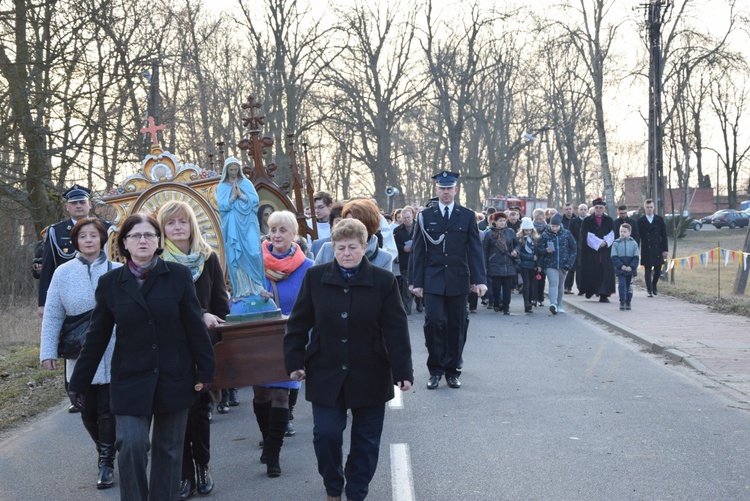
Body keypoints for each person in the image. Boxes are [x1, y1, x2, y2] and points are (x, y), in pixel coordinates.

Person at [68, 213, 216, 501]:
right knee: (132, 444)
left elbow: (195, 328)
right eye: (136, 235)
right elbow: (96, 337)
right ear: (124, 243)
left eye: (149, 234)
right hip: (130, 377)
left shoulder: (177, 276)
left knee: (169, 450)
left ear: (159, 241)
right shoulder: (111, 283)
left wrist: (206, 371)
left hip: (174, 376)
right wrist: (79, 382)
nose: (143, 240)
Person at [284, 219, 413, 501]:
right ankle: (333, 485)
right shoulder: (316, 278)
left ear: (364, 247)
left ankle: (356, 491)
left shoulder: (383, 281)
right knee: (326, 435)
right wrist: (294, 361)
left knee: (366, 441)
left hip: (370, 371)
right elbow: (297, 323)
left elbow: (396, 328)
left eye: (352, 247)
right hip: (325, 370)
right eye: (340, 248)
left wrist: (402, 371)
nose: (346, 253)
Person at [40, 218, 121, 489]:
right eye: (83, 236)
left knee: (108, 409)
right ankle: (105, 448)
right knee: (87, 411)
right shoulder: (62, 273)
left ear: (102, 239)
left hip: (114, 349)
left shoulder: (118, 270)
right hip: (80, 353)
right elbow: (52, 314)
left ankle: (106, 462)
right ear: (75, 241)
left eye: (94, 235)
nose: (88, 240)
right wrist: (47, 351)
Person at [157, 200, 230, 500]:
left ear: (192, 225)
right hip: (172, 347)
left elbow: (219, 300)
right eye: (171, 223)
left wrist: (221, 327)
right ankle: (183, 473)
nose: (177, 227)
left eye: (182, 221)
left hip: (204, 346)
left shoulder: (207, 257)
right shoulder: (158, 262)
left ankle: (203, 467)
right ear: (162, 229)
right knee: (178, 413)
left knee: (201, 412)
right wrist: (199, 312)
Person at [410, 171, 486, 390]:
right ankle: (435, 369)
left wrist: (479, 279)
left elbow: (474, 250)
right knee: (433, 322)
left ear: (456, 190)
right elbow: (418, 250)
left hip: (458, 279)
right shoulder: (425, 216)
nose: (445, 192)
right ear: (436, 190)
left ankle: (452, 370)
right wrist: (416, 282)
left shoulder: (467, 215)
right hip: (432, 278)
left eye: (449, 188)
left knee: (457, 325)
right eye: (441, 188)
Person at [253, 211, 314, 478]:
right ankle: (267, 439)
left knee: (280, 393)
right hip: (259, 337)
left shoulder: (307, 266)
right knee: (261, 395)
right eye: (273, 230)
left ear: (294, 234)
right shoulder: (254, 264)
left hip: (292, 337)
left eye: (283, 230)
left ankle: (273, 454)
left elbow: (314, 304)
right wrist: (258, 297)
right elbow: (239, 299)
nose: (277, 235)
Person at [216, 157, 266, 300]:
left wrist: (241, 195)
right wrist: (232, 197)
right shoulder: (222, 187)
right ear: (226, 170)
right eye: (230, 169)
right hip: (233, 224)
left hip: (248, 221)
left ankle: (258, 287)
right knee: (236, 255)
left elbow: (254, 201)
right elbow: (222, 206)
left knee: (254, 251)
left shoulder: (246, 183)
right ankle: (243, 289)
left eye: (235, 169)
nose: (233, 172)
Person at [315, 199, 393, 271]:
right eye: (347, 221)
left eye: (357, 223)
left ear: (369, 225)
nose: (350, 226)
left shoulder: (383, 258)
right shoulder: (327, 250)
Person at [537, 213, 577, 314]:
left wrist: (569, 264)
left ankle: (559, 304)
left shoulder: (567, 234)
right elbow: (539, 250)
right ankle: (553, 304)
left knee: (560, 285)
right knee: (553, 283)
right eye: (553, 226)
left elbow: (574, 249)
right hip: (550, 264)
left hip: (564, 265)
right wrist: (546, 250)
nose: (554, 228)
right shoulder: (545, 235)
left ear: (560, 225)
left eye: (556, 226)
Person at [579, 197, 616, 302]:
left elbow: (612, 234)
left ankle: (603, 294)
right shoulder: (587, 221)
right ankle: (590, 290)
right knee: (592, 272)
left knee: (604, 273)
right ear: (594, 208)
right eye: (597, 207)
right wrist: (597, 243)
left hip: (605, 252)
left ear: (604, 209)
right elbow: (585, 236)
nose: (599, 209)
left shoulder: (609, 220)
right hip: (591, 252)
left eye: (601, 207)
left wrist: (605, 242)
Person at [482, 212, 519, 314]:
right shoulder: (489, 234)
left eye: (504, 221)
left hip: (508, 263)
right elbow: (485, 251)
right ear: (495, 222)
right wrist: (485, 266)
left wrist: (516, 251)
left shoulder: (510, 232)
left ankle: (506, 307)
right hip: (495, 264)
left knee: (507, 289)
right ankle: (496, 302)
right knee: (496, 287)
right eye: (500, 221)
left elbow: (517, 244)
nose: (502, 223)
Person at [637, 199, 669, 297]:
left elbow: (664, 235)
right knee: (647, 269)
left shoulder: (659, 219)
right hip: (646, 248)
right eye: (647, 207)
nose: (649, 209)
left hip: (657, 248)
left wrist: (665, 249)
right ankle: (649, 289)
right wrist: (636, 249)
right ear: (644, 208)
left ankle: (654, 285)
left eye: (651, 207)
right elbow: (638, 236)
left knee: (658, 270)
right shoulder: (640, 221)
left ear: (654, 208)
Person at [393, 205, 416, 314]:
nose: (407, 220)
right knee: (407, 286)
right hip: (405, 261)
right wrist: (403, 248)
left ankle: (420, 302)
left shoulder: (419, 227)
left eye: (408, 217)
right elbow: (394, 245)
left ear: (412, 216)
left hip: (418, 260)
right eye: (404, 218)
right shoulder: (397, 230)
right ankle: (407, 308)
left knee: (419, 284)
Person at [611, 222, 640, 310]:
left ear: (629, 232)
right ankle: (622, 301)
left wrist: (631, 267)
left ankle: (628, 301)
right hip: (621, 269)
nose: (622, 233)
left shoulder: (634, 243)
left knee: (629, 286)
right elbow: (614, 257)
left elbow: (636, 257)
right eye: (621, 231)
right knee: (622, 285)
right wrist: (621, 266)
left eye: (624, 231)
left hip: (630, 269)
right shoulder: (616, 243)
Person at [516, 217, 539, 313]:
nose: (528, 232)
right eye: (526, 230)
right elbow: (519, 253)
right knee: (527, 284)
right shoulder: (520, 239)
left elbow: (538, 252)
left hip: (533, 265)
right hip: (524, 265)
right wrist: (530, 257)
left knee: (532, 284)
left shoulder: (535, 239)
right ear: (523, 230)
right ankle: (526, 303)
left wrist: (538, 263)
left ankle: (531, 301)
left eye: (530, 230)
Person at [565, 203, 587, 295]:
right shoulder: (573, 221)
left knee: (581, 270)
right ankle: (567, 287)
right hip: (575, 248)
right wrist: (576, 245)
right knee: (571, 269)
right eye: (581, 209)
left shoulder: (589, 221)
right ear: (578, 210)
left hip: (586, 248)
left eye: (584, 209)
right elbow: (571, 234)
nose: (582, 211)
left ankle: (581, 289)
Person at [531, 208, 548, 307]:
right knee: (533, 279)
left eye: (540, 219)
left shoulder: (547, 228)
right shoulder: (530, 228)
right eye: (537, 219)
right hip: (533, 256)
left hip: (544, 256)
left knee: (541, 278)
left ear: (544, 218)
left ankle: (540, 298)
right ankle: (533, 298)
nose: (538, 221)